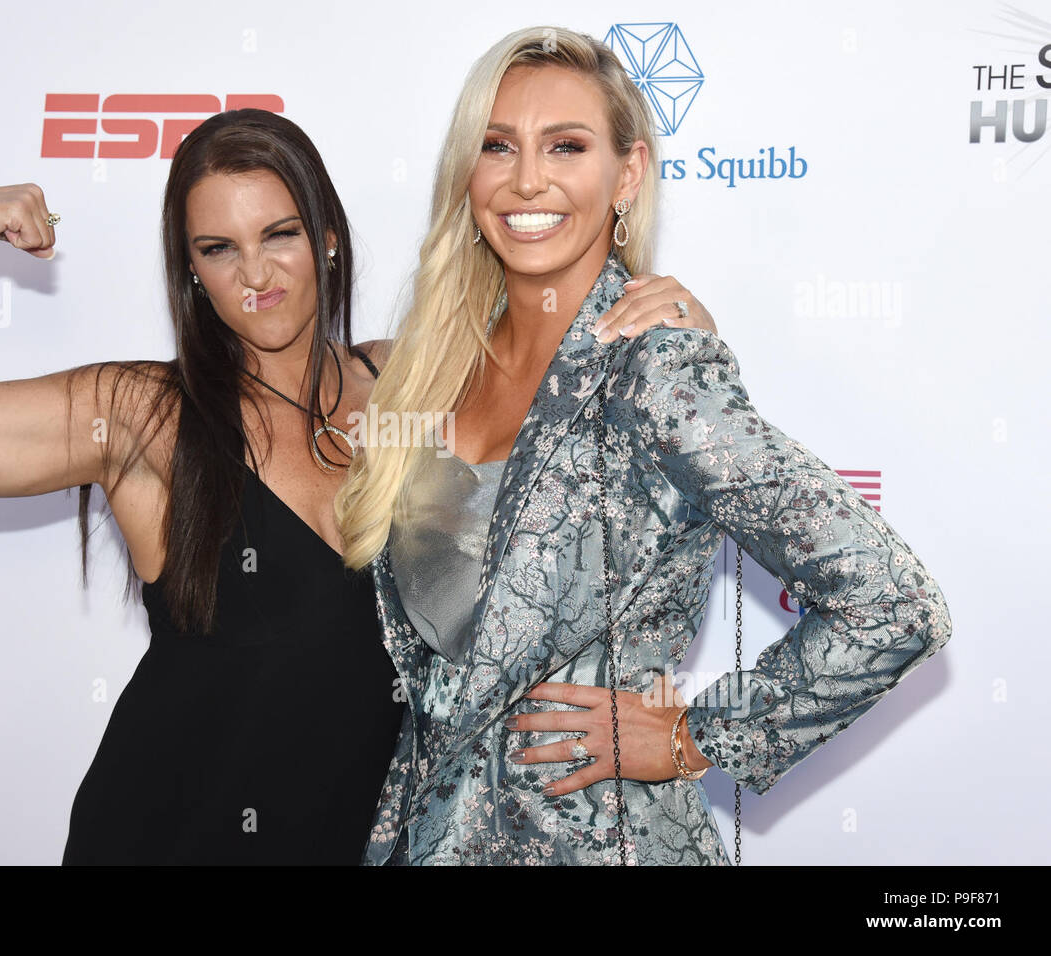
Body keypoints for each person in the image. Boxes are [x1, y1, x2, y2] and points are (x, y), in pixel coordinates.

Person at [0, 107, 719, 864]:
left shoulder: (421, 382)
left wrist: (684, 325)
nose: (255, 277)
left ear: (327, 238)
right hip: (165, 835)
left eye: (279, 235)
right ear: (192, 272)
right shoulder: (143, 415)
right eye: (218, 249)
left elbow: (602, 405)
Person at [335, 26, 953, 865]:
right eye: (497, 145)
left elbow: (894, 602)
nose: (527, 179)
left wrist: (699, 737)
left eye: (567, 146)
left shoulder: (657, 369)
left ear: (627, 174)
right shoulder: (427, 371)